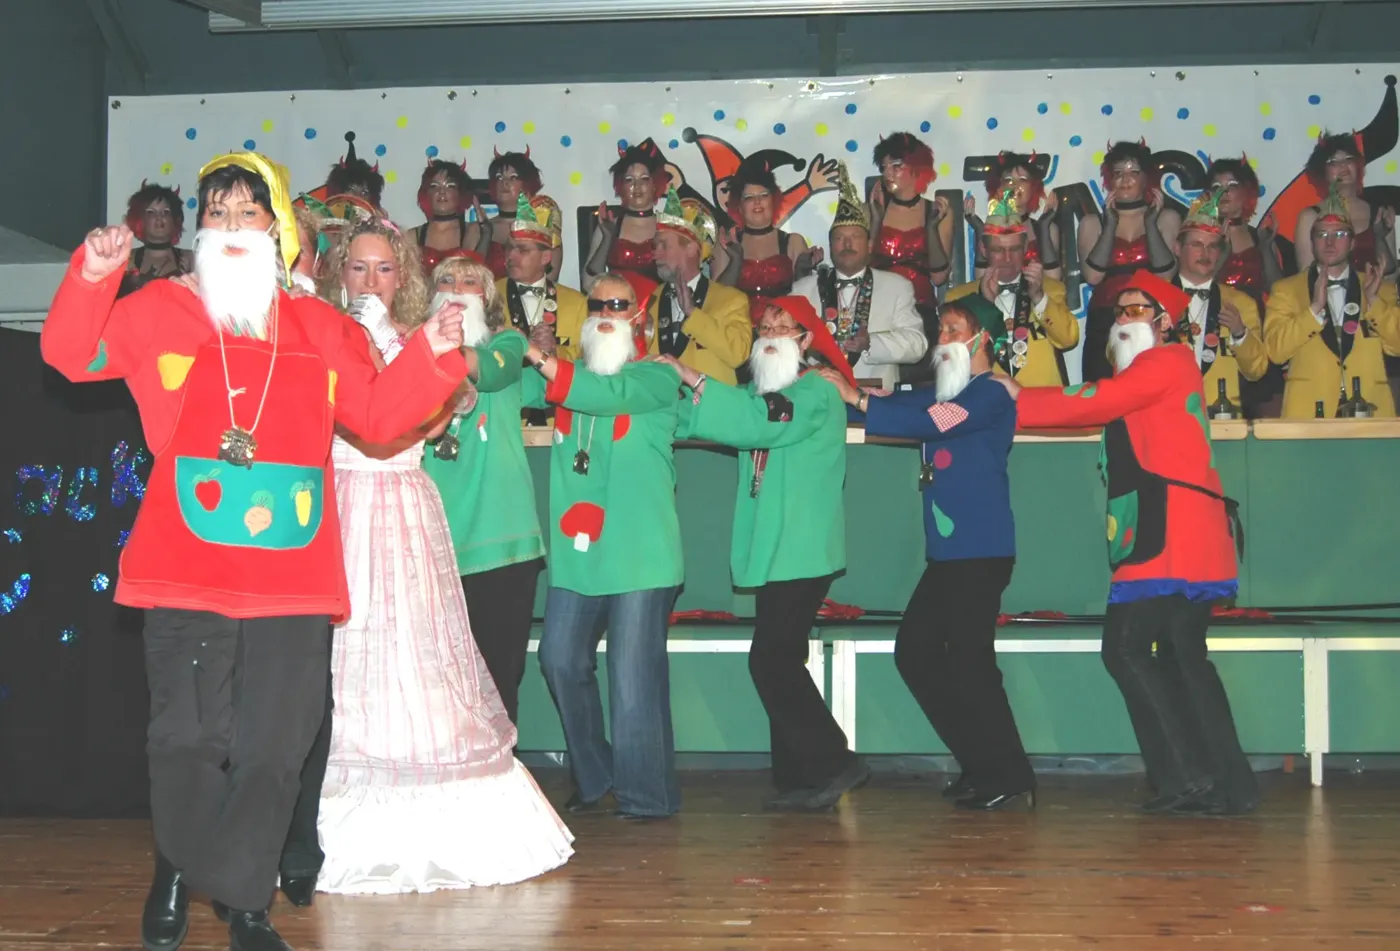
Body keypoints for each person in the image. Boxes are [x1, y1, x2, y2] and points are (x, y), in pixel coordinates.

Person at [40, 151, 469, 951]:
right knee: (186, 740)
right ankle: (179, 864)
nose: (232, 226)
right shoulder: (161, 307)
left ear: (279, 231)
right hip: (185, 564)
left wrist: (434, 352)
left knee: (274, 749)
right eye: (219, 213)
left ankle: (243, 902)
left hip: (291, 574)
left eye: (249, 212)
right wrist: (95, 275)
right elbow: (70, 354)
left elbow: (380, 419)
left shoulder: (322, 326)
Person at [311, 216, 573, 893]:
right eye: (359, 267)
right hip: (339, 507)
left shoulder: (421, 340)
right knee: (336, 655)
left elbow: (426, 422)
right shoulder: (320, 333)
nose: (371, 281)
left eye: (384, 268)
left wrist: (405, 360)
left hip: (401, 506)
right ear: (340, 272)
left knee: (416, 650)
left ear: (402, 277)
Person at [998, 269, 1258, 816]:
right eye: (1120, 310)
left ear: (1165, 322)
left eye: (1138, 309)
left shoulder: (1167, 361)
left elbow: (1095, 401)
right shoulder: (1151, 370)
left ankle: (1193, 777)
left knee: (1127, 648)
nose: (1125, 318)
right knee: (1182, 657)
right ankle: (1221, 781)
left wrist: (1018, 396)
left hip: (1172, 534)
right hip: (1177, 530)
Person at [822, 296, 1034, 812]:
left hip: (981, 551)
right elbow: (893, 409)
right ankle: (982, 765)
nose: (942, 339)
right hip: (950, 556)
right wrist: (826, 389)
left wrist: (860, 397)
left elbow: (937, 421)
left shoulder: (990, 393)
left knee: (971, 663)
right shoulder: (943, 391)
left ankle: (1008, 774)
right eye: (941, 329)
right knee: (917, 653)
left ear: (983, 339)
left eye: (953, 329)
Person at [665, 296, 868, 811]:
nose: (771, 334)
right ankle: (798, 777)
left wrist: (691, 375)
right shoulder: (758, 394)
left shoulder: (817, 389)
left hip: (802, 545)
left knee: (771, 659)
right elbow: (702, 418)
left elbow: (757, 422)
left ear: (806, 340)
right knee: (783, 656)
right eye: (764, 327)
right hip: (779, 546)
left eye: (783, 327)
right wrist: (645, 396)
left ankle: (835, 762)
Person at [525, 272, 685, 820]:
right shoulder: (569, 373)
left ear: (640, 315)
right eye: (597, 305)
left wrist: (539, 358)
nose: (606, 313)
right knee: (558, 659)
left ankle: (647, 797)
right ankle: (597, 775)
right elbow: (513, 387)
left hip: (642, 554)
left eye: (619, 304)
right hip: (581, 553)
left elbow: (603, 395)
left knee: (633, 680)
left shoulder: (656, 375)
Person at [423, 253, 547, 724]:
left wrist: (419, 346)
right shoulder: (413, 356)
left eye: (471, 282)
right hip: (433, 544)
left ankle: (502, 765)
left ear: (488, 299)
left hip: (503, 545)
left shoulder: (508, 343)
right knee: (438, 680)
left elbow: (491, 372)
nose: (457, 288)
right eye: (446, 280)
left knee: (498, 677)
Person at [1265, 182, 1400, 418]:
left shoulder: (1380, 288)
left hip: (1371, 411)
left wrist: (1374, 302)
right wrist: (1313, 310)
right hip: (1309, 413)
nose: (1330, 242)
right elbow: (1275, 352)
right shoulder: (1286, 290)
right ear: (1312, 242)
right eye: (1322, 235)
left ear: (1353, 243)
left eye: (1339, 234)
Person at [791, 162, 927, 390]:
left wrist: (872, 343)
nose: (847, 244)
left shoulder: (897, 287)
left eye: (855, 236)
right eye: (839, 238)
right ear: (830, 245)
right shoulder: (803, 289)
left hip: (876, 397)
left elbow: (917, 345)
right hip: (818, 395)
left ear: (870, 244)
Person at [946, 187, 1078, 387]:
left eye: (1015, 249)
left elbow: (1068, 339)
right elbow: (954, 357)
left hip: (1041, 399)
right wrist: (984, 305)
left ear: (1025, 248)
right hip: (987, 400)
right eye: (998, 250)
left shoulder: (1051, 289)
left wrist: (1039, 298)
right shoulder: (958, 298)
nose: (1007, 259)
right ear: (983, 249)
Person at [1078, 140, 1181, 382]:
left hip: (1152, 319)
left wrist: (1150, 224)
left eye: (1134, 172)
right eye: (1118, 173)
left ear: (1147, 178)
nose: (1125, 180)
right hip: (1106, 321)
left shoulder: (1167, 217)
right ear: (1109, 180)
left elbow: (1166, 275)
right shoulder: (1092, 222)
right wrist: (1110, 224)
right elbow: (1093, 276)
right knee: (1103, 394)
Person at [1170, 187, 1269, 416]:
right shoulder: (1153, 299)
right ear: (1177, 248)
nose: (1205, 253)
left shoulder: (1241, 303)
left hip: (1222, 420)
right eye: (1197, 245)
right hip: (1168, 417)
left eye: (1213, 246)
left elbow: (1257, 370)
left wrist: (1239, 333)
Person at [1206, 156, 1286, 417]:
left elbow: (1278, 289)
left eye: (1231, 185)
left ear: (1247, 191)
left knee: (1268, 420)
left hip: (1256, 333)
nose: (1223, 193)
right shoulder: (1200, 239)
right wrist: (1221, 252)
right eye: (1216, 187)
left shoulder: (1258, 235)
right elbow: (1196, 284)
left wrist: (1265, 247)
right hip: (1216, 332)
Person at [647, 186, 752, 385]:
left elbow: (738, 354)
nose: (655, 253)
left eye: (664, 246)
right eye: (655, 246)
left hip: (709, 404)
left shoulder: (731, 299)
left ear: (691, 248)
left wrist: (693, 314)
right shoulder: (650, 298)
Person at [711, 157, 821, 323]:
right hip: (736, 333)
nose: (757, 201)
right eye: (749, 197)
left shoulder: (793, 242)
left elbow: (804, 302)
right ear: (739, 206)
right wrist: (735, 262)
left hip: (782, 331)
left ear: (773, 200)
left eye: (763, 195)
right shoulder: (726, 243)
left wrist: (803, 269)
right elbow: (715, 302)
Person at [868, 132, 953, 320]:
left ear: (916, 167)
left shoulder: (937, 212)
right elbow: (856, 271)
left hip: (920, 313)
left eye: (896, 165)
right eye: (883, 167)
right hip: (879, 312)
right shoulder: (872, 211)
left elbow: (939, 278)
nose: (887, 174)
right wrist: (876, 224)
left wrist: (931, 228)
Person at [497, 192, 588, 361]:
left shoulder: (576, 303)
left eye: (522, 250)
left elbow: (584, 356)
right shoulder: (489, 296)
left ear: (546, 257)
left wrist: (555, 350)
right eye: (509, 248)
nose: (511, 256)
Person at [964, 151, 1062, 281]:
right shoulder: (990, 230)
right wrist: (980, 229)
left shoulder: (1048, 229)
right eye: (1009, 180)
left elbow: (1054, 281)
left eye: (1023, 180)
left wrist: (1043, 228)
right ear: (999, 187)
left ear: (1033, 187)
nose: (1015, 185)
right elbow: (981, 281)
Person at [584, 138, 668, 289]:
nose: (637, 186)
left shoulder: (669, 228)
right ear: (621, 186)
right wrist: (607, 239)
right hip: (617, 302)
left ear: (655, 185)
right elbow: (588, 284)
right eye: (630, 180)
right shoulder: (609, 226)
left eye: (644, 179)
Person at [481, 147, 563, 281]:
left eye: (513, 177)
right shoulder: (479, 229)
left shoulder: (542, 225)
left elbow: (551, 277)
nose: (504, 182)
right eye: (499, 177)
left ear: (528, 183)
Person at [412, 157, 487, 273]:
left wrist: (485, 230)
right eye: (434, 186)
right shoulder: (412, 236)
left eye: (450, 186)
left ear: (461, 193)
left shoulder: (473, 231)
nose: (441, 192)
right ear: (426, 193)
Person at [119, 181, 194, 297]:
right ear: (139, 219)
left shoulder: (192, 259)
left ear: (175, 219)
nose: (159, 217)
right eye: (151, 212)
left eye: (166, 212)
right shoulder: (125, 260)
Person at [322, 132, 385, 206]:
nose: (357, 197)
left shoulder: (376, 212)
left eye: (364, 193)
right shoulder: (319, 211)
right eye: (351, 189)